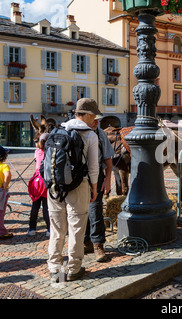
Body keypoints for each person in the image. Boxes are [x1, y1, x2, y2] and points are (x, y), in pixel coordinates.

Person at [47, 98, 100, 282]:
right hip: (78, 185)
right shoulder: (90, 135)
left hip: (54, 186)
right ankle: (73, 269)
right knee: (76, 228)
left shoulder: (59, 129)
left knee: (57, 229)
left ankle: (55, 270)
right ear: (84, 114)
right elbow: (94, 167)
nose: (94, 119)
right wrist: (94, 189)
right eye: (93, 115)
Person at [83, 115, 115, 262]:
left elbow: (108, 161)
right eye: (94, 119)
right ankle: (85, 242)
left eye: (98, 120)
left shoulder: (100, 133)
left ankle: (98, 244)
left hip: (96, 177)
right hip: (78, 178)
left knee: (95, 210)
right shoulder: (73, 131)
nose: (97, 122)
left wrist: (107, 180)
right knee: (80, 212)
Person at [27, 132, 50, 237]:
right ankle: (49, 229)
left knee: (35, 206)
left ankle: (32, 228)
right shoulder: (50, 152)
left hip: (36, 180)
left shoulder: (37, 152)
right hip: (45, 180)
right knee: (46, 206)